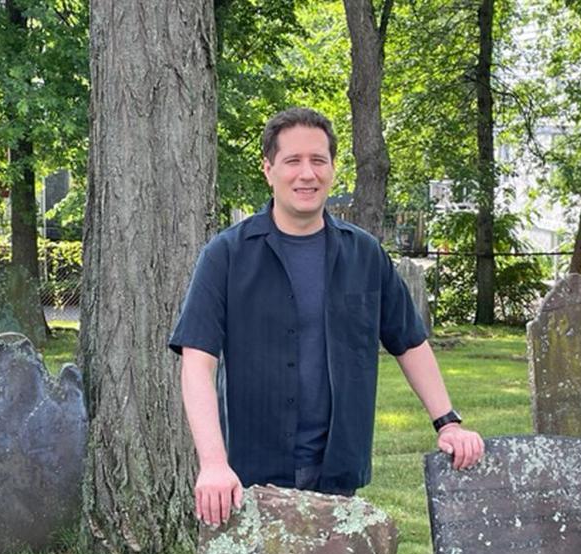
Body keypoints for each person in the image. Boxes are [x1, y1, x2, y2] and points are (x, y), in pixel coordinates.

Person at [169, 107, 484, 527]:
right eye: (293, 161)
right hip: (248, 480)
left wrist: (447, 423)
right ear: (269, 169)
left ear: (333, 169)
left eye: (318, 160)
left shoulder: (365, 254)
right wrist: (212, 463)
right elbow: (197, 361)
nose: (307, 174)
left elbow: (409, 342)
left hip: (337, 477)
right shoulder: (226, 256)